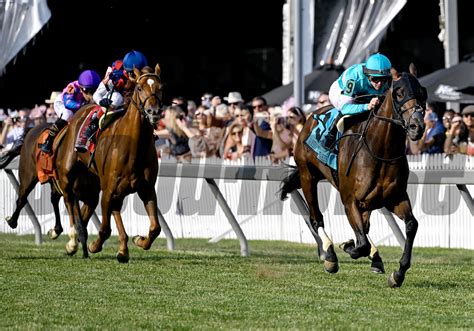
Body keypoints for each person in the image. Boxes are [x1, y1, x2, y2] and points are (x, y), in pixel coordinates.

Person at [76, 50, 148, 152]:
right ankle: (93, 124)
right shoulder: (115, 76)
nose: (139, 76)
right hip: (115, 97)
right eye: (136, 73)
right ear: (128, 72)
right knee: (116, 98)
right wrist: (101, 101)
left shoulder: (144, 77)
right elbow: (97, 94)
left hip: (131, 100)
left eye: (141, 72)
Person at [324, 52, 392, 148]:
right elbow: (345, 108)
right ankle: (331, 134)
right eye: (375, 79)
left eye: (383, 79)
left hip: (364, 93)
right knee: (349, 111)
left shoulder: (389, 80)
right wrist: (367, 106)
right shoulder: (353, 77)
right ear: (368, 75)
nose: (380, 84)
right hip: (340, 92)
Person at [39, 69, 101, 154]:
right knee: (68, 114)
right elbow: (68, 103)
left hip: (79, 105)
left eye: (94, 91)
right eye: (89, 92)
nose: (91, 96)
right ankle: (48, 140)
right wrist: (82, 105)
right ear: (82, 89)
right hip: (62, 103)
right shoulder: (72, 87)